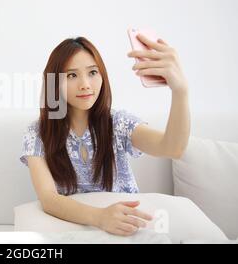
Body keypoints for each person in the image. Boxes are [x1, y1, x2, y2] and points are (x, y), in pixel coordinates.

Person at [19, 34, 190, 236]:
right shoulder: (38, 132)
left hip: (126, 228)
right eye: (72, 75)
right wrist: (100, 217)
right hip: (74, 230)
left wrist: (180, 91)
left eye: (92, 72)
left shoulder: (118, 123)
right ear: (54, 83)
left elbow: (173, 148)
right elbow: (48, 199)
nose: (85, 84)